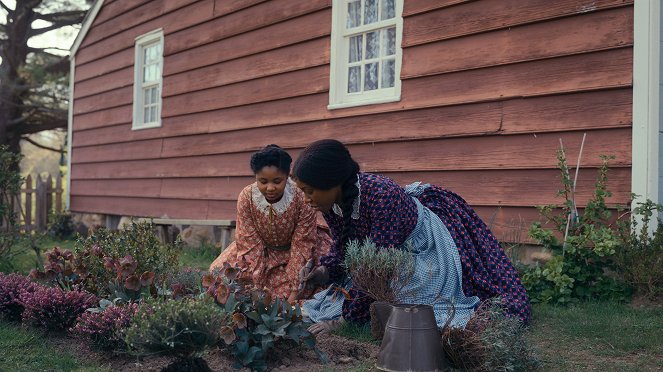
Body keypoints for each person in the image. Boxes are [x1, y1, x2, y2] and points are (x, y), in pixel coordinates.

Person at [292, 139, 531, 333]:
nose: (306, 199)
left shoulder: (381, 196)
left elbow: (377, 271)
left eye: (309, 191)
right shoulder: (334, 203)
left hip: (421, 246)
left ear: (332, 183)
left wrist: (343, 321)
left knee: (412, 305)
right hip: (385, 252)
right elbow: (345, 248)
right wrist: (322, 273)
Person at [210, 145, 332, 303]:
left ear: (287, 176)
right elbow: (248, 242)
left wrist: (295, 289)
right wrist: (253, 283)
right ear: (255, 177)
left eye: (277, 181)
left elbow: (303, 242)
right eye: (263, 181)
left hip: (296, 251)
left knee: (313, 279)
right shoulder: (247, 197)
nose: (270, 188)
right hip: (260, 250)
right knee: (218, 272)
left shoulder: (301, 196)